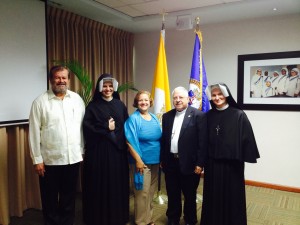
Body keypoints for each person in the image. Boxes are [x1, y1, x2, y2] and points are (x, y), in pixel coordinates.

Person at [28, 65, 85, 225]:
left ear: (68, 80)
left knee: (69, 198)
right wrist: (37, 159)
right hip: (49, 161)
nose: (61, 80)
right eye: (57, 77)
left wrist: (81, 151)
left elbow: (80, 128)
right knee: (49, 199)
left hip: (72, 158)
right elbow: (33, 132)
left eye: (64, 77)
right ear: (51, 80)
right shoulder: (40, 102)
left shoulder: (77, 100)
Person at [200, 83, 260, 225]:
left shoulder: (238, 115)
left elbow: (247, 138)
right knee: (213, 195)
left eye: (220, 94)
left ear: (226, 95)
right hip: (212, 164)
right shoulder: (207, 116)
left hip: (232, 166)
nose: (217, 97)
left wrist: (242, 156)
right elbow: (202, 140)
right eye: (214, 95)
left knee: (232, 196)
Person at [82, 73, 129, 225]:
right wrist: (106, 129)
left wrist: (116, 136)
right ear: (99, 87)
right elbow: (87, 128)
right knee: (99, 185)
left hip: (117, 152)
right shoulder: (92, 106)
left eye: (110, 86)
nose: (107, 89)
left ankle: (117, 217)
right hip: (99, 153)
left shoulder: (120, 105)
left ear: (114, 87)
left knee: (116, 184)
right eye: (104, 86)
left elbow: (125, 127)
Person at [160, 86, 207, 225]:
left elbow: (203, 142)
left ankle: (190, 220)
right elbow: (164, 140)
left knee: (189, 195)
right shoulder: (167, 116)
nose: (178, 100)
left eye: (181, 97)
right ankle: (173, 218)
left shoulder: (199, 115)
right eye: (175, 97)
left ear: (188, 99)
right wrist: (163, 160)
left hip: (190, 163)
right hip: (171, 162)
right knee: (172, 193)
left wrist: (200, 163)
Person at [124, 90, 162, 225]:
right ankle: (140, 222)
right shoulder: (133, 119)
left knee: (151, 192)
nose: (144, 102)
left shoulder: (154, 117)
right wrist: (138, 161)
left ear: (150, 102)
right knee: (141, 193)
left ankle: (148, 219)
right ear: (136, 102)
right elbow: (129, 141)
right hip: (141, 162)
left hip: (155, 161)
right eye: (141, 100)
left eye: (146, 100)